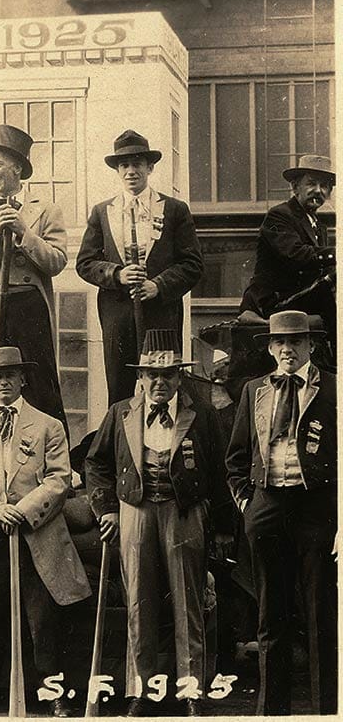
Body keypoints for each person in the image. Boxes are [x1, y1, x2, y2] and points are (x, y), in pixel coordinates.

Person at [84, 329, 225, 716]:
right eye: (151, 375)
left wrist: (216, 520)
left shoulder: (202, 414)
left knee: (188, 603)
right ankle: (139, 692)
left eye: (167, 376)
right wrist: (107, 509)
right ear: (140, 378)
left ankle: (191, 690)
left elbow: (218, 469)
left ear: (180, 378)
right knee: (138, 603)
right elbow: (95, 464)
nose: (159, 383)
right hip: (135, 510)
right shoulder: (120, 413)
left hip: (185, 512)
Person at [0, 346, 90, 718]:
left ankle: (53, 692)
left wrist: (24, 511)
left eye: (11, 375)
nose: (4, 383)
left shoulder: (48, 425)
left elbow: (60, 479)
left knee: (42, 617)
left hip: (37, 534)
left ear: (23, 379)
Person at [225, 310, 337, 715]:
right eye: (280, 343)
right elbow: (236, 459)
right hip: (268, 507)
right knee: (271, 616)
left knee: (320, 613)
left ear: (311, 345)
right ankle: (273, 712)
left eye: (296, 342)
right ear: (270, 348)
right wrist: (249, 505)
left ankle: (327, 711)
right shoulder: (255, 390)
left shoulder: (333, 390)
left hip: (317, 512)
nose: (287, 349)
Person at [0, 124, 69, 454]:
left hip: (28, 303)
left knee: (40, 382)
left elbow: (57, 261)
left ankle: (56, 463)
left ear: (17, 167)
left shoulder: (45, 210)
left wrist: (24, 233)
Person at [76, 130, 204, 404]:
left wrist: (158, 285)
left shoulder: (174, 209)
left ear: (150, 167)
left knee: (163, 387)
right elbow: (85, 263)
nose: (131, 171)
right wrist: (116, 274)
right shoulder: (102, 211)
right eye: (124, 165)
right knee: (119, 392)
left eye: (137, 164)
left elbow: (193, 264)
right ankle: (121, 444)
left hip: (162, 316)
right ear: (117, 170)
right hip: (117, 317)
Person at [239, 155, 336, 368]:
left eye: (325, 186)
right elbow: (296, 255)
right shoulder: (279, 215)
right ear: (295, 187)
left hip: (300, 300)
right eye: (311, 183)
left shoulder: (318, 225)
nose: (319, 190)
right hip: (271, 304)